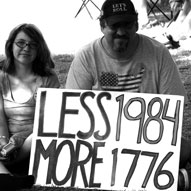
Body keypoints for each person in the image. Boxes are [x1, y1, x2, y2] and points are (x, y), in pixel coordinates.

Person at [65, 0, 191, 189]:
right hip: (102, 141)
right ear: (102, 26)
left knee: (184, 149)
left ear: (137, 25)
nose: (122, 32)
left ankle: (142, 175)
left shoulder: (159, 53)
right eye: (115, 25)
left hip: (149, 138)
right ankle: (165, 179)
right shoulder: (86, 56)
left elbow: (175, 107)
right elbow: (72, 111)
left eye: (128, 25)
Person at [0, 23, 60, 190]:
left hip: (33, 142)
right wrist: (3, 142)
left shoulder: (48, 78)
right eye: (21, 43)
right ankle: (7, 177)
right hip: (6, 141)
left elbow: (50, 121)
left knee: (37, 136)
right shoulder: (1, 75)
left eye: (33, 45)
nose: (26, 48)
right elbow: (0, 118)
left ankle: (9, 171)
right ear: (10, 44)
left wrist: (20, 141)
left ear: (39, 49)